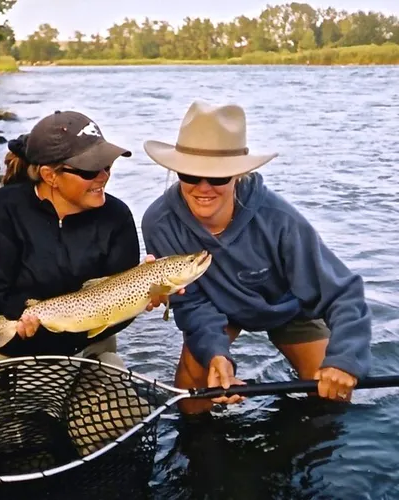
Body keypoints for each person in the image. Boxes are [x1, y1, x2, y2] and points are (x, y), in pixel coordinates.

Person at [142, 100, 372, 414]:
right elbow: (191, 303)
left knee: (331, 394)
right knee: (191, 402)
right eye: (190, 175)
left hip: (289, 307)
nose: (203, 188)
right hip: (217, 310)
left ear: (238, 175)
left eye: (219, 178)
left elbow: (343, 292)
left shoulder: (280, 219)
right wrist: (216, 355)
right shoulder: (159, 221)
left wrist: (345, 360)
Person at [0, 110, 145, 367]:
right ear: (50, 175)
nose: (104, 176)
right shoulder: (4, 209)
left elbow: (120, 308)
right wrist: (26, 318)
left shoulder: (117, 217)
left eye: (107, 165)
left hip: (92, 351)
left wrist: (145, 292)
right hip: (10, 352)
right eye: (90, 171)